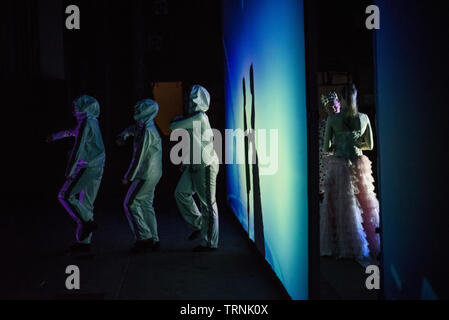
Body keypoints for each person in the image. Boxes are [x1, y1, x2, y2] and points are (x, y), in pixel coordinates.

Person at [320, 83, 380, 264]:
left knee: (340, 205)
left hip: (339, 163)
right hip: (358, 164)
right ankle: (367, 244)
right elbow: (369, 146)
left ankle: (341, 246)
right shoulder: (364, 117)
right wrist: (354, 141)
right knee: (363, 202)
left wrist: (340, 141)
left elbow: (326, 148)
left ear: (341, 99)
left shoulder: (333, 120)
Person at [47, 95, 106, 253]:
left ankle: (87, 223)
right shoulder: (91, 121)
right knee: (86, 203)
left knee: (65, 195)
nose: (74, 109)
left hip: (88, 166)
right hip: (97, 165)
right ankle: (84, 243)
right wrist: (54, 136)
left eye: (76, 106)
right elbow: (72, 132)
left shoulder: (87, 122)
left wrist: (70, 170)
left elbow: (78, 148)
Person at [170, 85, 220, 252]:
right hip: (194, 165)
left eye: (191, 99)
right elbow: (191, 140)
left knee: (208, 204)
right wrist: (186, 161)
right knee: (180, 193)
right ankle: (199, 224)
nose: (188, 102)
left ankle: (210, 242)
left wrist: (176, 120)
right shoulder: (194, 117)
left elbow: (172, 127)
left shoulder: (199, 117)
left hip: (205, 165)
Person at [117, 99, 163, 253]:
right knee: (145, 205)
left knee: (130, 203)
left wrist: (128, 176)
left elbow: (139, 156)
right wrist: (124, 135)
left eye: (140, 109)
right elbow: (132, 129)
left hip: (146, 174)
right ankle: (154, 239)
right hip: (150, 172)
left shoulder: (148, 131)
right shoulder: (143, 127)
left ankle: (144, 238)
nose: (136, 110)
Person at [319, 91, 341, 201]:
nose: (332, 109)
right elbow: (320, 148)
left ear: (339, 104)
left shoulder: (348, 122)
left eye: (334, 105)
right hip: (327, 169)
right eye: (329, 107)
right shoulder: (322, 125)